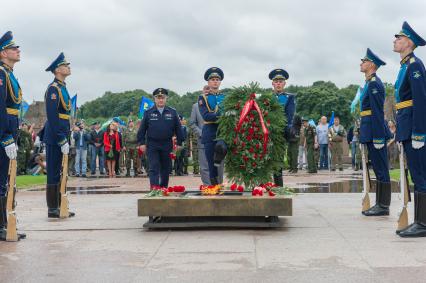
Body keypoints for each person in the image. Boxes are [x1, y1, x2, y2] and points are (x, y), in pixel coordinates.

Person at [392, 22, 426, 237]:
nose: (395, 40)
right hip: (406, 125)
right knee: (415, 174)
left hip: (415, 128)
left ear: (409, 42)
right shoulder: (405, 66)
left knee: (420, 174)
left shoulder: (415, 65)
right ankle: (419, 220)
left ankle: (422, 223)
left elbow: (421, 100)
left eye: (399, 37)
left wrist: (419, 132)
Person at [358, 48, 392, 216]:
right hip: (369, 130)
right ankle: (380, 204)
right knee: (378, 168)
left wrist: (379, 137)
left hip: (374, 131)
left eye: (363, 61)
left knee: (381, 168)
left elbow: (377, 112)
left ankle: (383, 205)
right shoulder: (368, 83)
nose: (361, 63)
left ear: (371, 64)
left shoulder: (374, 84)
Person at [0, 31, 26, 240]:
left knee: (8, 179)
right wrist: (6, 136)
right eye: (13, 48)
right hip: (4, 132)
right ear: (3, 53)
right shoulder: (1, 74)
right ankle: (1, 226)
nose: (18, 51)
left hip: (12, 129)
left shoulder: (10, 75)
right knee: (1, 179)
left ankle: (6, 222)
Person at [43, 52, 75, 218]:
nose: (69, 67)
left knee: (62, 171)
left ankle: (60, 205)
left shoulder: (63, 88)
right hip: (55, 136)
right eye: (65, 65)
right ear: (57, 70)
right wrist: (61, 138)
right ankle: (52, 208)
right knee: (54, 171)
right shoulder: (53, 89)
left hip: (63, 133)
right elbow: (53, 116)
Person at [137, 88, 183, 188]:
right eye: (158, 98)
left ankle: (163, 189)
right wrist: (141, 143)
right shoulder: (148, 113)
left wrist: (179, 143)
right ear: (155, 99)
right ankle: (154, 189)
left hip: (167, 144)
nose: (161, 100)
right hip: (152, 144)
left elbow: (178, 129)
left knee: (166, 168)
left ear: (166, 98)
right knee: (153, 167)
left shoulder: (172, 112)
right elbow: (142, 130)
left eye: (163, 98)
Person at [198, 68, 226, 185]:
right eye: (213, 80)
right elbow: (206, 116)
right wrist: (221, 115)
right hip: (209, 131)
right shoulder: (203, 98)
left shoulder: (225, 97)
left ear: (220, 82)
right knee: (211, 164)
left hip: (223, 131)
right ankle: (214, 187)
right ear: (208, 82)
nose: (215, 82)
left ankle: (217, 162)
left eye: (217, 79)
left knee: (222, 147)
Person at [269, 69, 296, 185]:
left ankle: (278, 187)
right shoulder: (267, 98)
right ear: (272, 83)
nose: (278, 83)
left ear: (284, 84)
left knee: (277, 162)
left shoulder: (289, 98)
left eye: (281, 81)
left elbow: (289, 118)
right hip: (266, 133)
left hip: (279, 134)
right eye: (276, 81)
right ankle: (263, 187)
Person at [190, 85, 211, 185]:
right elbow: (192, 123)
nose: (207, 91)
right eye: (205, 90)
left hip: (216, 139)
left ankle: (217, 186)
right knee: (204, 166)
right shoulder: (196, 106)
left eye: (209, 89)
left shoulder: (218, 104)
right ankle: (208, 187)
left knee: (217, 165)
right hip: (202, 140)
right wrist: (201, 133)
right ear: (202, 91)